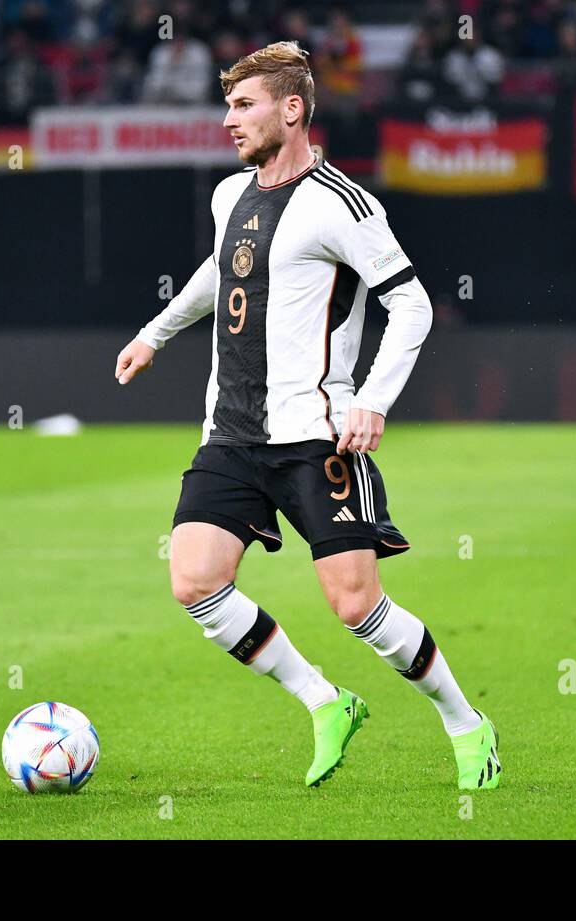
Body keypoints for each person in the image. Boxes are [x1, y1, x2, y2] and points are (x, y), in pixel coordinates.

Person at [113, 41, 501, 791]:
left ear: (292, 110)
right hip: (230, 433)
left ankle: (465, 722)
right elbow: (217, 271)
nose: (229, 120)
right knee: (194, 581)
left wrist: (374, 401)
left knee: (355, 604)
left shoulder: (342, 205)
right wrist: (153, 333)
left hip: (314, 435)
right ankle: (325, 702)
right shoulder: (233, 196)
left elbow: (411, 304)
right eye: (228, 106)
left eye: (244, 105)